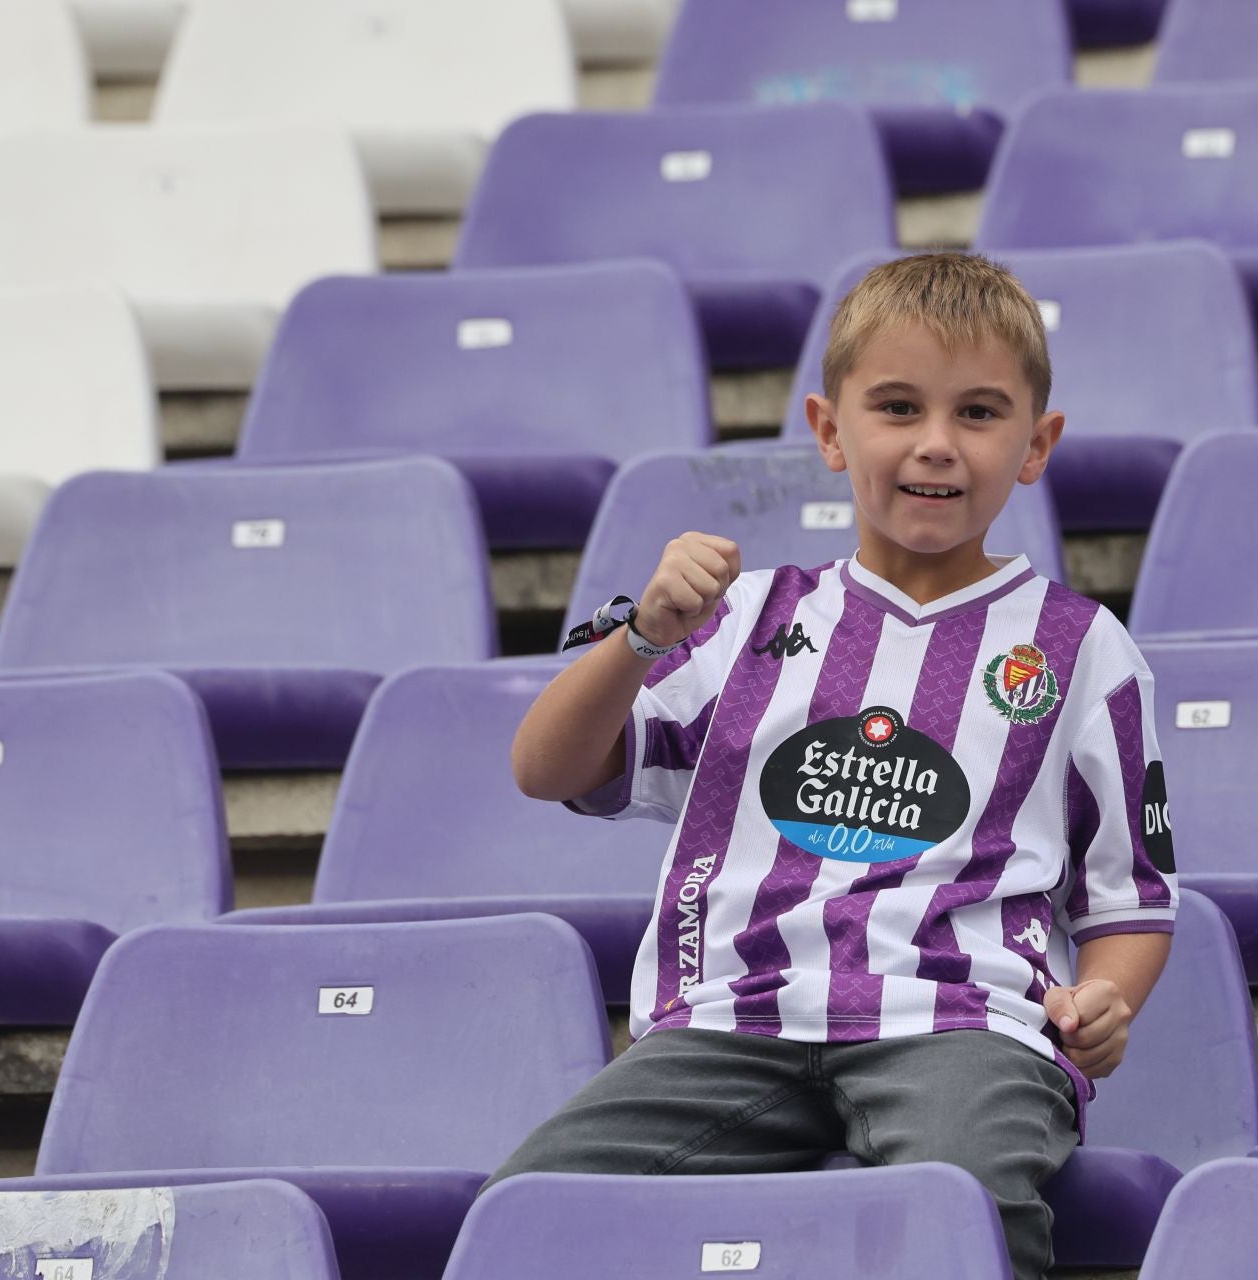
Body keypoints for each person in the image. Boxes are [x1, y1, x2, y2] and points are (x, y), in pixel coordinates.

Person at [495, 252, 1177, 1279]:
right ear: (827, 428)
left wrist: (1104, 997)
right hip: (730, 1018)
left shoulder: (1081, 649)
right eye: (897, 406)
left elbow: (1130, 899)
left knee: (960, 1203)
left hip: (960, 1022)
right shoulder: (744, 620)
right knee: (532, 1212)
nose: (936, 444)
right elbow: (546, 767)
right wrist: (639, 634)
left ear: (1037, 444)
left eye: (980, 413)